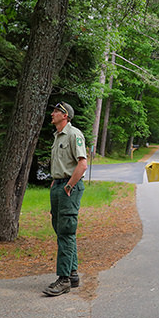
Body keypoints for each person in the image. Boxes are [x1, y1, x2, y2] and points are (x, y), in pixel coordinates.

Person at [44, 101, 88, 297]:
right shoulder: (57, 136)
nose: (52, 113)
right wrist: (57, 183)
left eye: (56, 111)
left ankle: (64, 280)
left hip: (69, 187)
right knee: (62, 230)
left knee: (66, 231)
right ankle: (72, 273)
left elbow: (82, 164)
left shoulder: (74, 134)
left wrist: (69, 186)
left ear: (65, 116)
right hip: (59, 185)